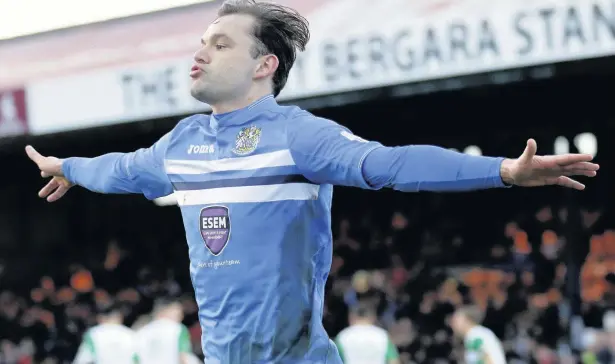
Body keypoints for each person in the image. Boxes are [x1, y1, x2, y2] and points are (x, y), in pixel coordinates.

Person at [25, 0, 598, 362]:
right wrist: (68, 170)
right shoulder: (181, 144)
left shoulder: (298, 136)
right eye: (201, 41)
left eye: (219, 43)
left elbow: (392, 164)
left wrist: (500, 171)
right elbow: (121, 169)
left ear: (263, 64)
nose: (199, 53)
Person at [334, 302, 400, 364]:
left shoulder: (343, 336)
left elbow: (332, 360)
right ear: (373, 317)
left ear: (351, 317)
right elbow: (393, 361)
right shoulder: (382, 336)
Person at [73, 304, 138, 364]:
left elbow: (83, 359)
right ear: (120, 318)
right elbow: (138, 359)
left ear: (100, 318)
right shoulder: (130, 334)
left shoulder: (93, 333)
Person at [135, 297, 193, 364]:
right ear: (164, 311)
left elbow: (135, 358)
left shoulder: (142, 331)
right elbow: (183, 356)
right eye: (178, 314)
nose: (181, 317)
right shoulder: (178, 329)